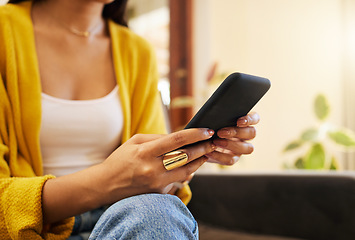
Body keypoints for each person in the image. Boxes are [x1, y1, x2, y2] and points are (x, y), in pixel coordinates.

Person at [0, 0, 260, 239]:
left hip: (126, 220)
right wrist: (107, 180)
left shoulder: (136, 51)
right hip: (30, 231)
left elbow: (154, 184)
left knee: (156, 212)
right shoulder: (4, 33)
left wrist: (193, 154)